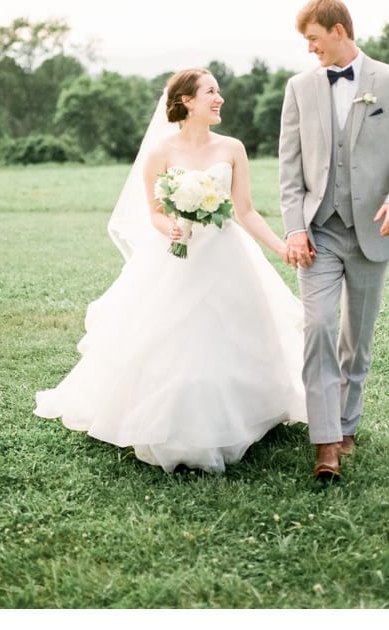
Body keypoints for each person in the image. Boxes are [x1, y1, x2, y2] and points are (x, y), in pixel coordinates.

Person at [35, 68, 307, 473]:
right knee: (172, 338)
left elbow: (245, 210)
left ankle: (241, 415)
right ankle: (173, 421)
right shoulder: (160, 152)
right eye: (211, 92)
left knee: (232, 334)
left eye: (219, 91)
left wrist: (281, 245)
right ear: (186, 101)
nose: (220, 99)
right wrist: (173, 228)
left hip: (227, 256)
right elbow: (155, 215)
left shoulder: (232, 148)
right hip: (176, 257)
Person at [279, 0, 389, 482]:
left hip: (372, 231)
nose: (310, 50)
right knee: (317, 327)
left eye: (315, 40)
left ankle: (347, 424)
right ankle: (325, 443)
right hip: (318, 232)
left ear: (339, 31)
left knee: (356, 337)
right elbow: (289, 168)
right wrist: (295, 227)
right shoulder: (299, 88)